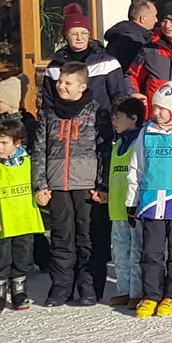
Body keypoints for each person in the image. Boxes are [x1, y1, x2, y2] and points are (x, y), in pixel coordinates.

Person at [29, 62, 107, 308]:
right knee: (62, 238)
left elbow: (104, 151)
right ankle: (61, 288)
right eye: (60, 82)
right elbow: (39, 150)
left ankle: (89, 288)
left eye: (67, 83)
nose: (61, 86)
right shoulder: (49, 114)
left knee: (87, 237)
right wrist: (39, 185)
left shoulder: (97, 113)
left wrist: (103, 185)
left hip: (87, 185)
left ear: (82, 87)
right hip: (57, 184)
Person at [127, 84, 172, 316]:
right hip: (151, 202)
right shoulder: (146, 133)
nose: (156, 112)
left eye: (162, 108)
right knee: (151, 252)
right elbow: (136, 167)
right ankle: (152, 295)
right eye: (155, 108)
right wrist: (132, 201)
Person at [0, 113, 44, 314]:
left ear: (17, 143)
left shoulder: (29, 163)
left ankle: (19, 291)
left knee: (22, 258)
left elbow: (38, 184)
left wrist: (42, 194)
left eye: (4, 143)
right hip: (0, 223)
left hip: (24, 221)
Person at [44, 5, 125, 113]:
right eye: (74, 34)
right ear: (66, 36)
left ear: (89, 34)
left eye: (84, 33)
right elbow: (48, 104)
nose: (79, 38)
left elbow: (120, 98)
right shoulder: (54, 67)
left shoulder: (108, 63)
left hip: (100, 120)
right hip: (63, 121)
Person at [103, 95, 143, 309]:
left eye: (118, 117)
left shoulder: (140, 142)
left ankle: (137, 292)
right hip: (117, 208)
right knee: (119, 252)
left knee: (135, 251)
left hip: (133, 208)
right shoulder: (118, 143)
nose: (114, 122)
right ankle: (124, 290)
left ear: (133, 118)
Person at [106, 0, 159, 74]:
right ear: (143, 18)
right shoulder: (134, 41)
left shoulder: (118, 35)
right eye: (154, 16)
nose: (156, 20)